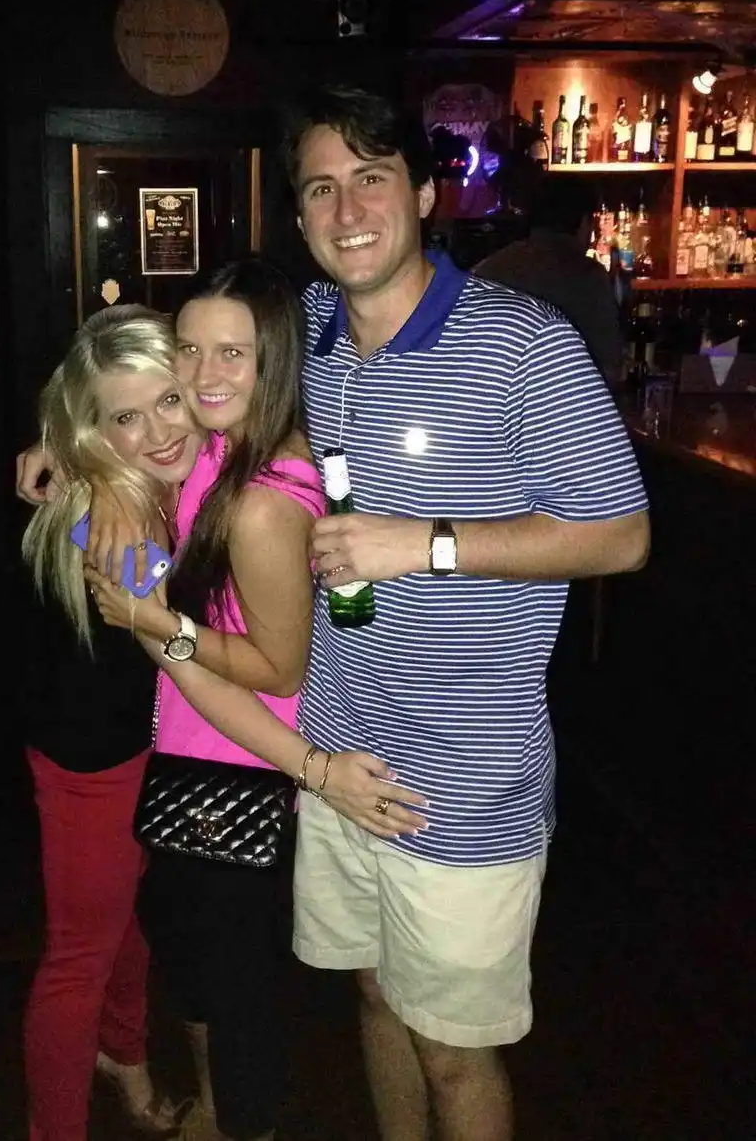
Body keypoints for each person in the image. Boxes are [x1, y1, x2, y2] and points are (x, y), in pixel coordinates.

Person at [280, 83, 650, 1141]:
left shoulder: (522, 343)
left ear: (423, 195)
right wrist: (66, 444)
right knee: (372, 998)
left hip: (465, 782)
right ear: (299, 216)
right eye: (321, 188)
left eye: (371, 178)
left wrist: (427, 542)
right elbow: (176, 377)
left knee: (454, 1051)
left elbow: (620, 532)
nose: (348, 209)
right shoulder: (303, 329)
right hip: (340, 757)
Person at [84, 260, 325, 1141]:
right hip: (197, 752)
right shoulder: (222, 450)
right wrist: (75, 466)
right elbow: (109, 418)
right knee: (193, 967)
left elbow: (280, 670)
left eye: (233, 352)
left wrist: (163, 626)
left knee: (236, 1000)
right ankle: (218, 1116)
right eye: (188, 349)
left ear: (275, 359)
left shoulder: (262, 504)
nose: (202, 373)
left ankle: (238, 1125)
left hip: (242, 763)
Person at [19, 304, 199, 1141]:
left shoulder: (154, 483)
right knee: (78, 960)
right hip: (92, 759)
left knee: (128, 925)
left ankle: (124, 1055)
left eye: (169, 399)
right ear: (96, 430)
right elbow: (190, 642)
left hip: (139, 741)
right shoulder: (116, 517)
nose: (157, 432)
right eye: (126, 417)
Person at [473, 176, 623, 380]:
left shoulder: (491, 268)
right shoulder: (587, 277)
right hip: (564, 395)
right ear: (584, 223)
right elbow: (609, 367)